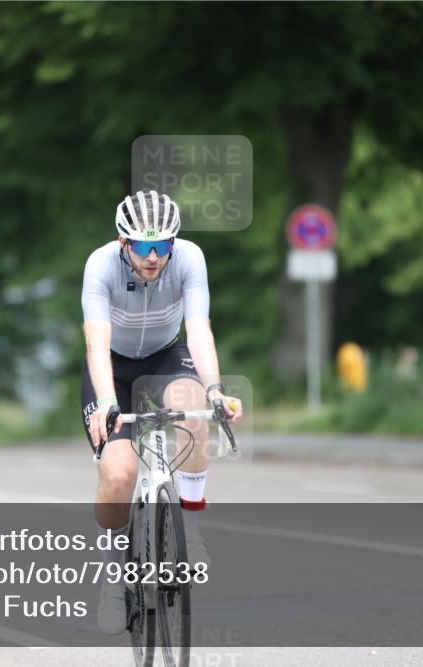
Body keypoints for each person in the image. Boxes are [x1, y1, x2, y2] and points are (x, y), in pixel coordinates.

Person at [80, 190, 243, 634]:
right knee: (118, 476)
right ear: (122, 242)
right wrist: (109, 402)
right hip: (112, 368)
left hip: (167, 356)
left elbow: (199, 329)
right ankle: (114, 574)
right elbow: (95, 342)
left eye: (163, 245)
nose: (154, 257)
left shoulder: (190, 259)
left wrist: (215, 390)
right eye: (143, 246)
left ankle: (190, 529)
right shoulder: (100, 266)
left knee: (194, 406)